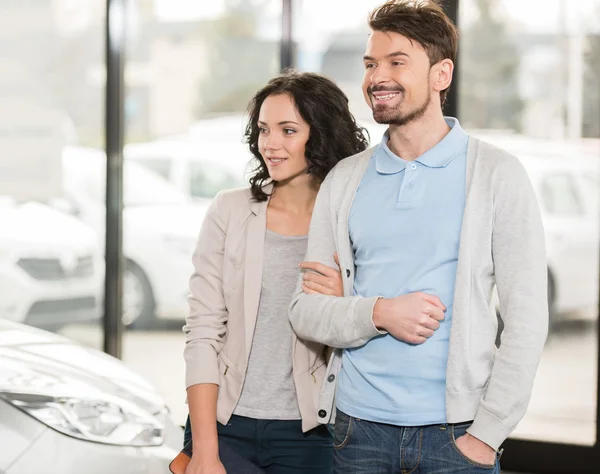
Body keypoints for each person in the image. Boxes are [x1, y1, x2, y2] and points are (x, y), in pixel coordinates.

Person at [289, 1, 548, 473]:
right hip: (357, 429)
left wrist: (487, 434)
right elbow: (305, 312)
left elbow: (527, 319)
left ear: (441, 74)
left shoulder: (496, 175)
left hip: (457, 436)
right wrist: (379, 312)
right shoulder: (345, 181)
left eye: (396, 62)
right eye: (371, 64)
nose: (377, 77)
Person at [182, 70, 369, 474]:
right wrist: (205, 451)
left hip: (311, 433)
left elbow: (371, 317)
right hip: (222, 425)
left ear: (320, 134)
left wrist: (344, 301)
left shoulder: (350, 218)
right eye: (264, 130)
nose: (270, 144)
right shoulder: (228, 211)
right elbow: (202, 331)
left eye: (288, 130)